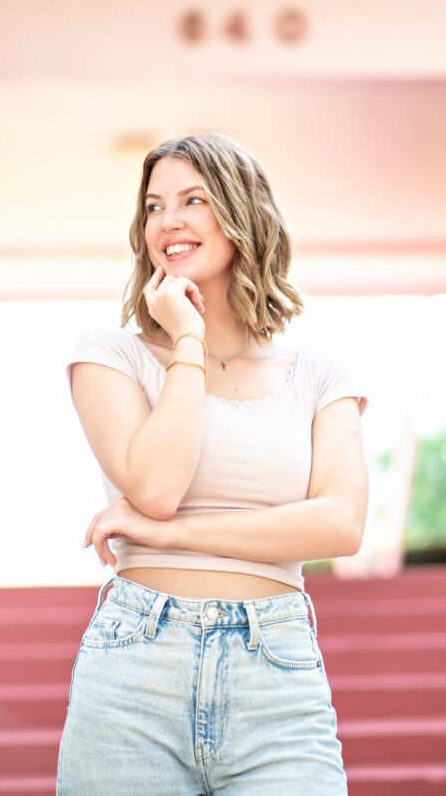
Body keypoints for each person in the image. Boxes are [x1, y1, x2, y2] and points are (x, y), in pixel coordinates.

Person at [56, 132, 369, 795]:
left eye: (191, 200)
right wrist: (188, 339)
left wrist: (168, 537)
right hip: (135, 666)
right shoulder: (111, 357)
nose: (166, 221)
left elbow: (339, 526)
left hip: (276, 667)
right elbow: (156, 487)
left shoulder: (318, 372)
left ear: (240, 215)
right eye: (152, 206)